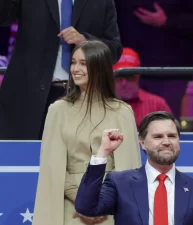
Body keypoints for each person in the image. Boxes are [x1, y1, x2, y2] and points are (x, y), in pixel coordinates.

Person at [30, 41, 141, 225]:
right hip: (69, 206)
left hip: (109, 207)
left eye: (83, 63)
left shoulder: (122, 111)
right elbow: (52, 166)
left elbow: (129, 170)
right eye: (73, 62)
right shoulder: (58, 110)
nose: (75, 69)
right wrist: (82, 202)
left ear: (99, 67)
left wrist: (101, 203)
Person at [0, 0, 121, 140]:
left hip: (82, 97)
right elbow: (3, 17)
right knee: (23, 153)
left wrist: (85, 41)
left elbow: (114, 50)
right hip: (27, 98)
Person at [115, 0, 193, 116]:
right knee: (124, 123)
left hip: (170, 73)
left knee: (164, 123)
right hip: (126, 70)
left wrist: (167, 21)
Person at [113, 47, 173, 127]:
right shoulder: (102, 104)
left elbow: (171, 132)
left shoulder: (157, 105)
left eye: (129, 76)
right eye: (118, 77)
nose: (124, 83)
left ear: (138, 76)